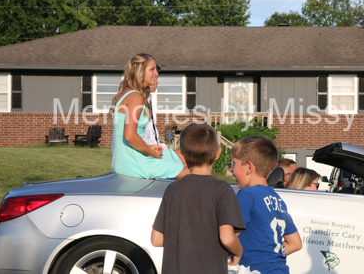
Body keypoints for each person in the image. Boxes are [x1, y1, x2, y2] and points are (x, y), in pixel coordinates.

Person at [151, 123, 245, 274]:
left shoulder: (172, 189)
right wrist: (239, 251)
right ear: (218, 153)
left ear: (183, 155)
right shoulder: (222, 190)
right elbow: (227, 238)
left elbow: (156, 240)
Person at [109, 53, 189, 179]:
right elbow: (129, 136)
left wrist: (150, 147)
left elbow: (125, 137)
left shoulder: (127, 93)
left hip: (125, 161)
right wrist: (151, 153)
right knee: (190, 174)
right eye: (152, 69)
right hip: (133, 163)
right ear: (140, 72)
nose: (156, 73)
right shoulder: (136, 97)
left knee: (183, 157)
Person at [231, 136, 302, 274]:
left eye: (234, 163)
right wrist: (268, 256)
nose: (231, 169)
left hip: (256, 270)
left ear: (249, 167)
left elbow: (230, 236)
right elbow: (295, 243)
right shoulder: (278, 200)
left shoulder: (247, 194)